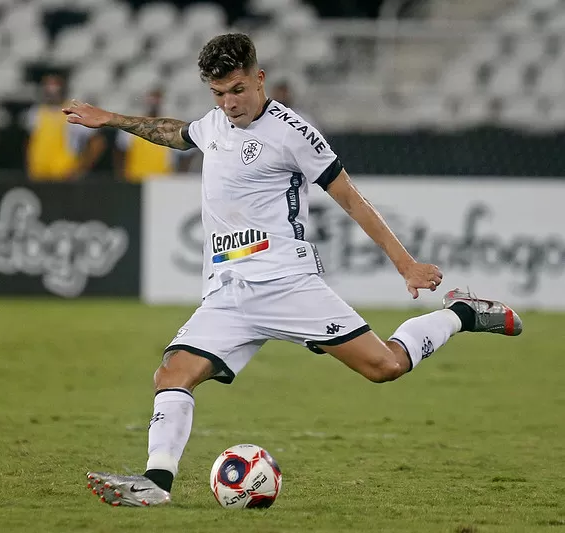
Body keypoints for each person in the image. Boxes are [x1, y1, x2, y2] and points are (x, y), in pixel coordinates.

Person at [63, 33, 523, 507]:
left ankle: (460, 315)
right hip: (228, 293)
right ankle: (157, 482)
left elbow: (350, 198)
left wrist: (405, 264)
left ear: (259, 79)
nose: (229, 103)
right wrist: (111, 120)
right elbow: (175, 133)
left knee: (385, 366)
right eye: (218, 94)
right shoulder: (215, 124)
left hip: (287, 283)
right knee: (172, 374)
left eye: (237, 90)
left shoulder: (292, 132)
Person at [25, 73, 106, 181]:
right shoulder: (35, 112)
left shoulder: (73, 112)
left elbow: (98, 143)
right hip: (38, 174)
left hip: (64, 175)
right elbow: (31, 141)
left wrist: (81, 168)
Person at [114, 88, 196, 181]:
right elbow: (121, 151)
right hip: (135, 178)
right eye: (151, 99)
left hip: (163, 180)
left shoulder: (171, 125)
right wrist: (121, 175)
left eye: (157, 99)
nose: (153, 103)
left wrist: (180, 178)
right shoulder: (132, 123)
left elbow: (186, 155)